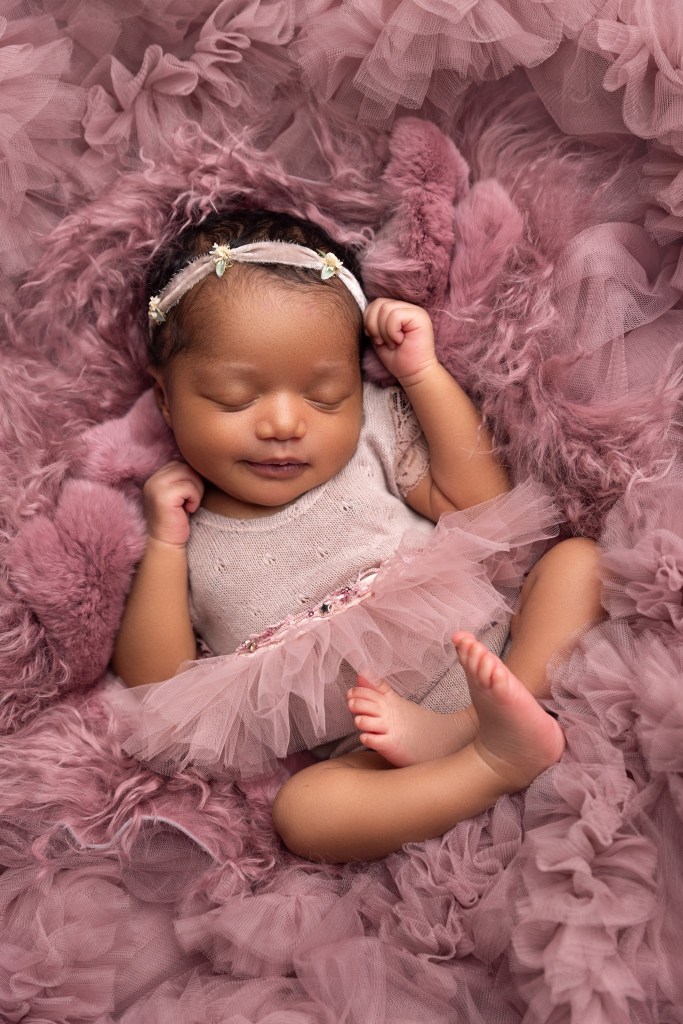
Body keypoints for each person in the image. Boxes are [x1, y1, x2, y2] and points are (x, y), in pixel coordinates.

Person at [112, 208, 603, 863]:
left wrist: (421, 375)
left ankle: (474, 726)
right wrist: (165, 547)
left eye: (324, 396)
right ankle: (488, 764)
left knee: (578, 564)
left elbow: (480, 501)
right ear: (167, 399)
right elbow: (158, 684)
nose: (284, 423)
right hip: (373, 750)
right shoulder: (188, 529)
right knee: (303, 813)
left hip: (500, 654)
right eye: (234, 398)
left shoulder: (370, 437)